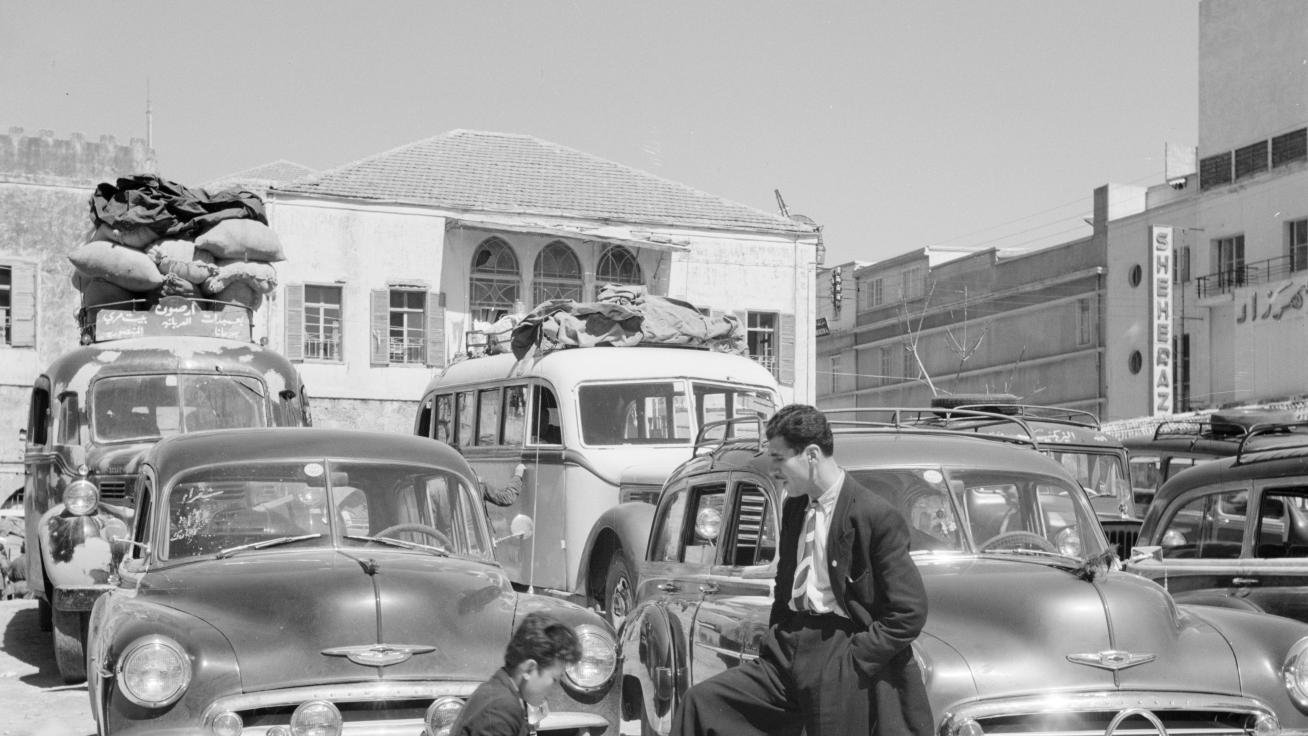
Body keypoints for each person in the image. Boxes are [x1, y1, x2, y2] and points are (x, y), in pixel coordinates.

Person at [672, 404, 933, 736]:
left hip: (841, 652)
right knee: (703, 703)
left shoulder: (873, 515)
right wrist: (775, 639)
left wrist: (856, 658)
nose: (775, 469)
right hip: (787, 649)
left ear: (811, 455)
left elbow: (909, 611)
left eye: (780, 458)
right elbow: (787, 584)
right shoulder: (795, 506)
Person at [448, 611, 582, 736]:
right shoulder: (500, 709)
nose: (552, 690)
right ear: (529, 669)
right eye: (554, 679)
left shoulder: (500, 693)